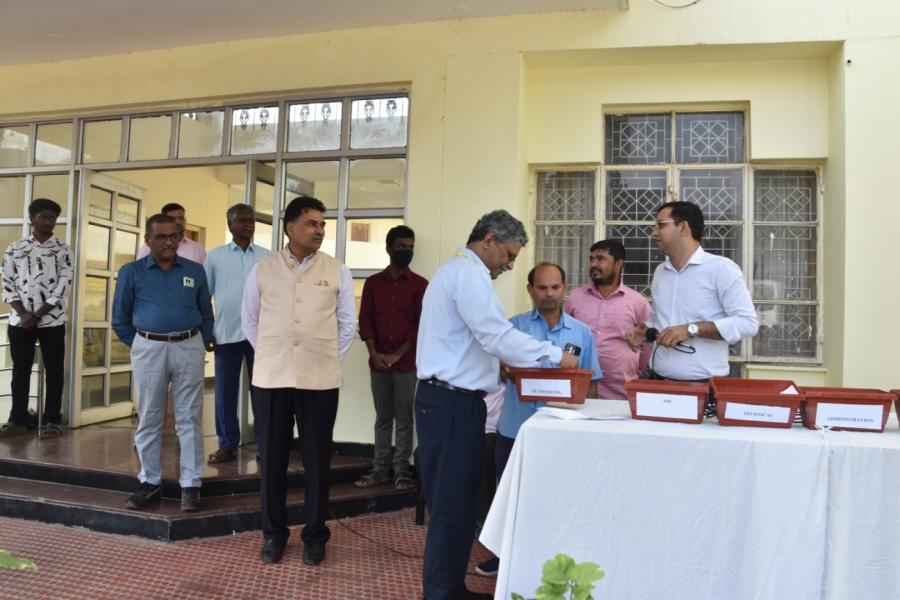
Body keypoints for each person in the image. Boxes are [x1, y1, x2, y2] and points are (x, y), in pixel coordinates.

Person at [415, 210, 578, 600]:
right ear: (488, 240)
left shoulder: (456, 273)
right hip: (451, 405)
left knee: (456, 504)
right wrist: (554, 355)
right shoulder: (468, 275)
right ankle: (441, 592)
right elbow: (495, 334)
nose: (508, 265)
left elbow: (474, 341)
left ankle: (450, 587)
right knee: (452, 505)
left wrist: (497, 363)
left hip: (450, 402)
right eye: (508, 255)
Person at [241, 195, 355, 567]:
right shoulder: (263, 269)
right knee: (272, 460)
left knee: (317, 460)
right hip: (271, 378)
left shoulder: (337, 270)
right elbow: (250, 321)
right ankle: (274, 535)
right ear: (290, 227)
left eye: (322, 224)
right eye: (312, 223)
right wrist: (276, 354)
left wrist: (320, 357)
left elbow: (346, 326)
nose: (319, 230)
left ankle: (315, 536)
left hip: (320, 381)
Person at [476, 262, 603, 578]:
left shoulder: (581, 333)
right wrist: (502, 369)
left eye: (555, 287)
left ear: (564, 288)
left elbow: (593, 384)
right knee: (512, 500)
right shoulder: (511, 329)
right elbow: (492, 372)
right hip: (515, 430)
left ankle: (555, 558)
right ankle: (506, 558)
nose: (549, 294)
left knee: (560, 498)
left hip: (564, 433)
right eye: (542, 288)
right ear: (530, 289)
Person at [112, 214, 215, 512]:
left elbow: (206, 312)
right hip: (149, 347)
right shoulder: (131, 272)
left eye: (173, 235)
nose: (169, 241)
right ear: (148, 241)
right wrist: (143, 345)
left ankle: (191, 484)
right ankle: (150, 481)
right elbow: (120, 317)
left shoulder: (195, 270)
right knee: (149, 416)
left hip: (188, 346)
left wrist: (199, 343)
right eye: (161, 237)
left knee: (190, 418)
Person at [626, 201, 759, 413]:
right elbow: (661, 320)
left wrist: (691, 329)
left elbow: (748, 323)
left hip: (703, 389)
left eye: (661, 225)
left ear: (684, 227)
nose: (654, 232)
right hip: (657, 383)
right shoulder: (661, 272)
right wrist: (645, 331)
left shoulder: (721, 269)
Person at [354, 225, 427, 492]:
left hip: (406, 364)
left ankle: (402, 470)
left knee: (404, 418)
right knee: (383, 417)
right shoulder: (373, 284)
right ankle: (380, 469)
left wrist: (397, 355)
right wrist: (375, 354)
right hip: (378, 363)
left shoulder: (421, 285)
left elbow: (421, 325)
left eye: (410, 247)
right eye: (401, 247)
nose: (407, 251)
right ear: (388, 249)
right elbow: (366, 320)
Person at [0, 198, 73, 438]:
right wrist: (23, 313)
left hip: (52, 321)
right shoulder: (16, 247)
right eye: (43, 216)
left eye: (52, 218)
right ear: (32, 219)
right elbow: (6, 281)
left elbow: (64, 284)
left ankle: (52, 420)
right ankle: (18, 418)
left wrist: (38, 314)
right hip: (20, 321)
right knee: (20, 370)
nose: (48, 222)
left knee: (54, 371)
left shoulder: (63, 249)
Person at [204, 204, 269, 464]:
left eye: (251, 220)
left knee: (263, 393)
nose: (248, 224)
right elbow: (203, 296)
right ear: (230, 225)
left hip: (261, 338)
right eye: (242, 220)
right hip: (226, 336)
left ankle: (266, 443)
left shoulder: (267, 257)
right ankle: (227, 443)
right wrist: (207, 330)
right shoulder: (215, 257)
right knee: (224, 393)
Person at [564, 240, 651, 400]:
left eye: (601, 259)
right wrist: (575, 360)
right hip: (579, 389)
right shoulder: (576, 297)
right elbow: (565, 336)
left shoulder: (637, 302)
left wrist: (632, 368)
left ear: (618, 264)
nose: (594, 264)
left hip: (621, 393)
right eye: (591, 259)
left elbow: (647, 343)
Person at [137, 202, 206, 263]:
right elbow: (140, 270)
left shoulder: (198, 249)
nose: (178, 222)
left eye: (181, 218)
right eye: (172, 218)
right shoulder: (149, 246)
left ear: (185, 220)